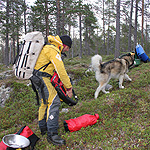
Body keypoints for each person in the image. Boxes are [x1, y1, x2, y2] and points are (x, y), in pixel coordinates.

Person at [31, 35, 73, 146]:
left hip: (36, 77)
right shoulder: (53, 49)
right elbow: (60, 69)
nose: (67, 50)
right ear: (64, 45)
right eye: (68, 47)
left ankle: (43, 128)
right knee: (54, 101)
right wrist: (68, 87)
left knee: (45, 102)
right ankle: (52, 134)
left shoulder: (47, 47)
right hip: (42, 78)